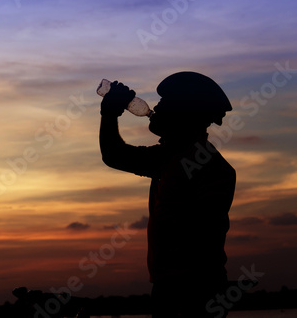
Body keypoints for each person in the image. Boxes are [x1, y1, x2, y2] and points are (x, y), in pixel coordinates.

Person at [99, 72, 236, 318]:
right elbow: (114, 155)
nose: (157, 108)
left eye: (166, 103)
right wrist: (109, 113)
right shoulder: (171, 157)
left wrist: (110, 113)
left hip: (192, 294)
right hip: (173, 289)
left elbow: (202, 242)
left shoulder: (206, 166)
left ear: (185, 113)